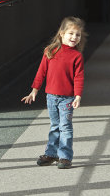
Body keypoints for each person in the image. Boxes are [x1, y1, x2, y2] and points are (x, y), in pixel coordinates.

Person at [21, 16, 87, 169]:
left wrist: (78, 95)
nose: (74, 37)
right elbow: (41, 72)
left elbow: (79, 77)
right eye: (71, 33)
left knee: (65, 126)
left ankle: (65, 157)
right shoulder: (50, 51)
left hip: (67, 98)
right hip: (51, 97)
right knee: (54, 126)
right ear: (61, 34)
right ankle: (51, 154)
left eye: (77, 35)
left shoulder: (77, 56)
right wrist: (34, 91)